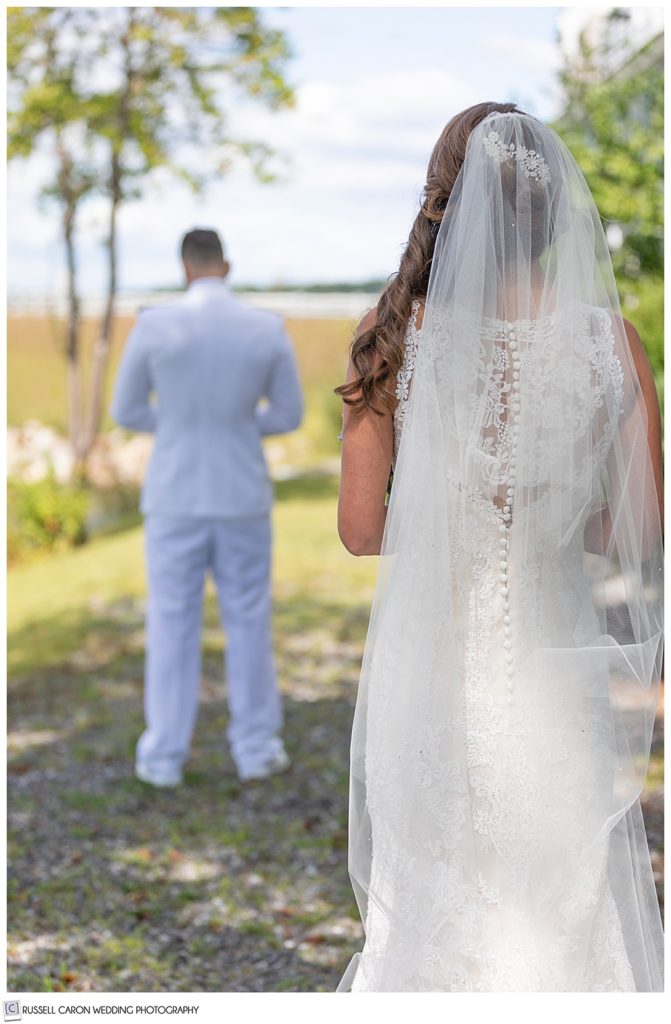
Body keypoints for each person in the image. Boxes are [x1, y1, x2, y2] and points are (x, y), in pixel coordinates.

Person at [335, 103, 664, 991]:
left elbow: (362, 533)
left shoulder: (395, 338)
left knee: (434, 899)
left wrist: (452, 506)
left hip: (428, 667)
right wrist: (553, 520)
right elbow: (639, 530)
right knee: (556, 902)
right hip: (550, 674)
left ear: (444, 198)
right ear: (559, 214)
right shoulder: (613, 346)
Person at [110, 228, 304, 787]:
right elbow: (288, 415)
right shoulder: (266, 329)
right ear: (226, 265)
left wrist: (174, 428)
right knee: (248, 618)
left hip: (174, 493)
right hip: (241, 491)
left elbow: (126, 410)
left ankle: (163, 755)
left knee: (171, 620)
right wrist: (240, 429)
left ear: (185, 267)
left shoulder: (153, 325)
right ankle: (256, 747)